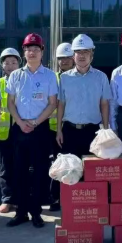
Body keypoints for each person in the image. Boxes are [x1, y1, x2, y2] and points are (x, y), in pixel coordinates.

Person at [6, 33, 58, 228]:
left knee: (39, 171)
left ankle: (36, 212)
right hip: (19, 128)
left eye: (36, 49)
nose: (32, 52)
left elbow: (52, 104)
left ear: (42, 51)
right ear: (24, 52)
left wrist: (35, 122)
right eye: (29, 49)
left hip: (40, 128)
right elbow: (10, 103)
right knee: (19, 171)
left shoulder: (50, 76)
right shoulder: (16, 75)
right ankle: (21, 212)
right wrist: (20, 122)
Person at [56, 34, 112, 159]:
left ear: (91, 55)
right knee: (70, 168)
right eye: (78, 52)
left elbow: (104, 104)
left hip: (92, 132)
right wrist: (59, 130)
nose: (82, 55)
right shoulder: (64, 78)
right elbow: (61, 105)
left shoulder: (101, 77)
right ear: (73, 55)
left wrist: (106, 130)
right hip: (69, 131)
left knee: (91, 169)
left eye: (85, 52)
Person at [48, 42, 75, 212]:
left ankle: (72, 195)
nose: (64, 61)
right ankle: (55, 198)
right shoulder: (52, 78)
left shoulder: (76, 77)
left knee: (73, 163)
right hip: (52, 128)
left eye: (67, 57)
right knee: (57, 164)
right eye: (60, 58)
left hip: (70, 126)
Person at [0, 47, 22, 214]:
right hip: (3, 131)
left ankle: (19, 199)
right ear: (2, 65)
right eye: (7, 63)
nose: (10, 66)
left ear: (19, 64)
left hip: (21, 129)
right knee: (5, 167)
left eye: (14, 62)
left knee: (21, 166)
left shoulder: (25, 81)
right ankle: (7, 199)